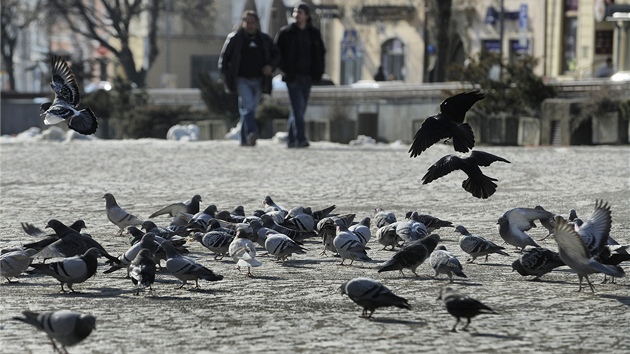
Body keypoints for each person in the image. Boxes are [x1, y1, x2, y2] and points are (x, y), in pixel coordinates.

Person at [218, 10, 280, 146]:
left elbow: (276, 55)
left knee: (248, 109)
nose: (250, 25)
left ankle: (244, 139)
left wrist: (270, 67)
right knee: (249, 106)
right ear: (243, 22)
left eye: (252, 22)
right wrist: (227, 75)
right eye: (247, 22)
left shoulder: (264, 39)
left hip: (259, 80)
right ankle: (253, 132)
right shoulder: (235, 39)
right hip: (241, 79)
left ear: (257, 23)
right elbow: (224, 59)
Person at [274, 2, 326, 148]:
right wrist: (284, 69)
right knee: (298, 107)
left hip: (308, 76)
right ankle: (301, 138)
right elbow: (277, 53)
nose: (298, 15)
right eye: (296, 12)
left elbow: (321, 53)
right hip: (292, 77)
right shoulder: (286, 32)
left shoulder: (313, 33)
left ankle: (291, 139)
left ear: (307, 16)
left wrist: (319, 71)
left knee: (300, 109)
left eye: (301, 12)